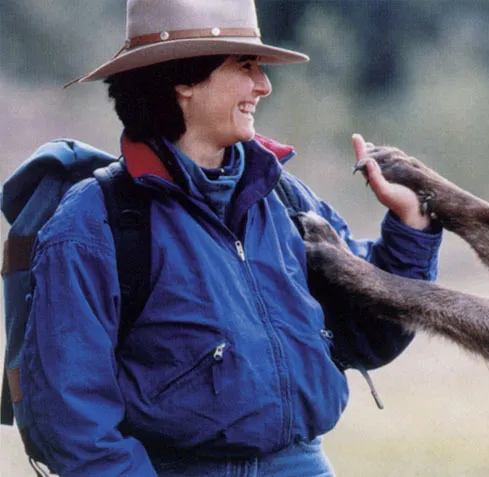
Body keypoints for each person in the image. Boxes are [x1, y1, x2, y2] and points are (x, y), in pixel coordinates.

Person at [20, 0, 442, 475]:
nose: (263, 84)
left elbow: (371, 334)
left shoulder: (284, 197)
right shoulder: (92, 222)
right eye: (246, 65)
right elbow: (74, 424)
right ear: (183, 80)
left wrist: (411, 227)